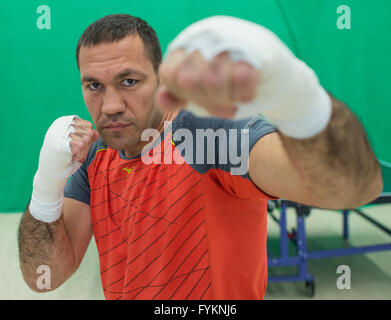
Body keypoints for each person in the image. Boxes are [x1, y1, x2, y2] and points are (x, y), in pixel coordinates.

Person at [18, 14, 383, 300]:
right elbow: (43, 276)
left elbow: (353, 189)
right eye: (94, 86)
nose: (110, 105)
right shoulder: (97, 156)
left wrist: (296, 93)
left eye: (129, 81)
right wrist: (46, 183)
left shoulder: (205, 134)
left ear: (161, 79)